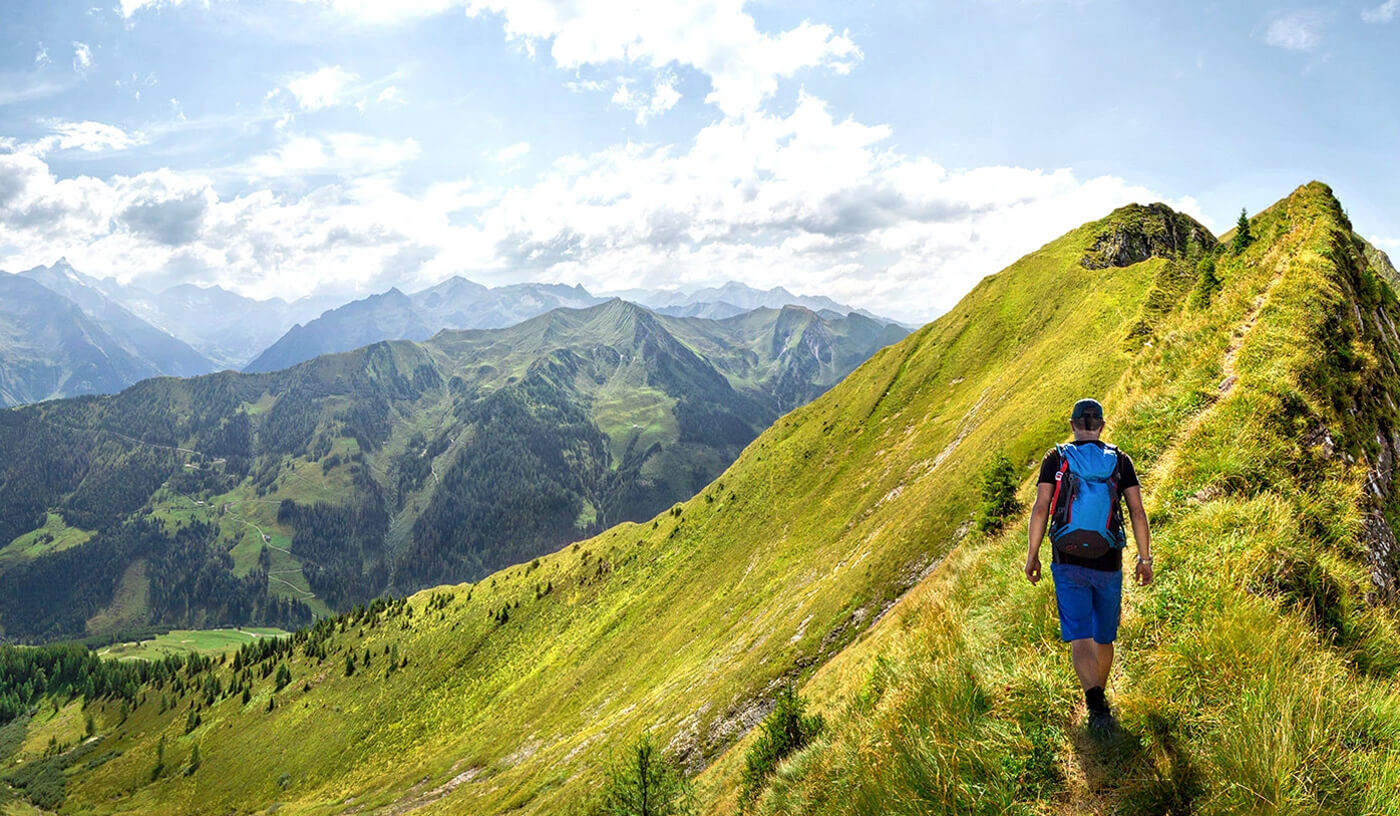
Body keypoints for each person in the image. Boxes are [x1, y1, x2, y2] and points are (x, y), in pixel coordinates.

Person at [1024, 398, 1152, 731]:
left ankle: (1095, 705)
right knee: (1103, 637)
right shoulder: (1120, 460)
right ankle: (1100, 695)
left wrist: (1032, 554)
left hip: (1067, 558)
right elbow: (1137, 512)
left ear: (1073, 425)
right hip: (1108, 559)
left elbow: (1041, 509)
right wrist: (1144, 557)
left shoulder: (1056, 457)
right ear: (1101, 426)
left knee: (1080, 635)